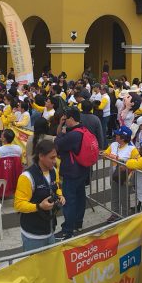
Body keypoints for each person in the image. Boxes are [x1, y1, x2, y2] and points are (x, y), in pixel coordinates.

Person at [14, 139, 65, 251]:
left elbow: (56, 187)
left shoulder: (53, 171)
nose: (55, 161)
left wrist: (60, 195)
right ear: (41, 156)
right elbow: (18, 205)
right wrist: (39, 206)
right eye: (51, 158)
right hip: (33, 234)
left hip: (50, 229)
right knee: (34, 267)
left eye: (55, 157)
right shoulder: (26, 177)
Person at [54, 107, 91, 240]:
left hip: (72, 171)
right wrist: (62, 126)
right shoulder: (83, 130)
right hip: (83, 169)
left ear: (71, 119)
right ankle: (77, 222)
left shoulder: (73, 134)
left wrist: (61, 131)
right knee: (80, 196)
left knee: (69, 200)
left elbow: (57, 143)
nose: (64, 121)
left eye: (66, 119)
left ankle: (67, 230)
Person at [104, 126, 139, 221]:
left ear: (123, 138)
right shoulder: (114, 145)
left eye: (118, 135)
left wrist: (125, 165)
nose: (116, 136)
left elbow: (137, 162)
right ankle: (114, 213)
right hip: (114, 174)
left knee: (124, 196)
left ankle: (125, 216)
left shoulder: (132, 149)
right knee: (114, 195)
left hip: (126, 176)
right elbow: (105, 154)